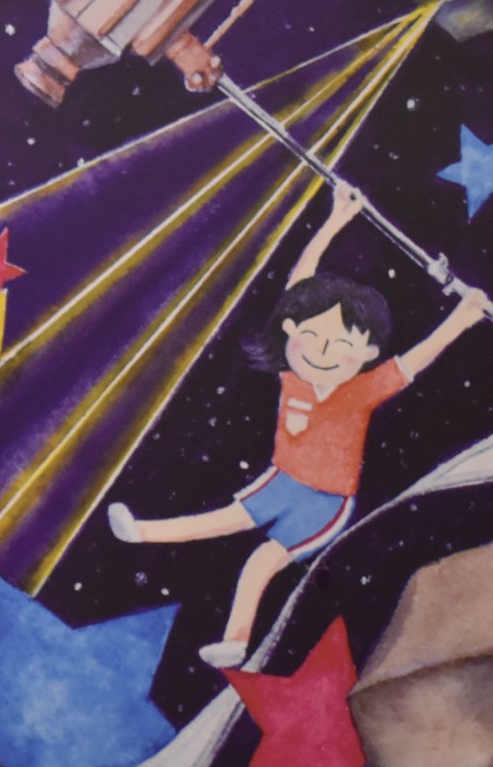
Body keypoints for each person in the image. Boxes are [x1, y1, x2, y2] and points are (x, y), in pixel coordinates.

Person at [108, 183, 489, 669]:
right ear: (289, 332)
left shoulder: (361, 391)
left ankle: (236, 640)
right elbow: (297, 289)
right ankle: (140, 533)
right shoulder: (293, 377)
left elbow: (414, 361)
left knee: (261, 562)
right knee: (223, 520)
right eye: (310, 337)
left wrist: (463, 317)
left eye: (339, 345)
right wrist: (335, 220)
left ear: (368, 353)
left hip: (324, 502)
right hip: (282, 481)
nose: (321, 352)